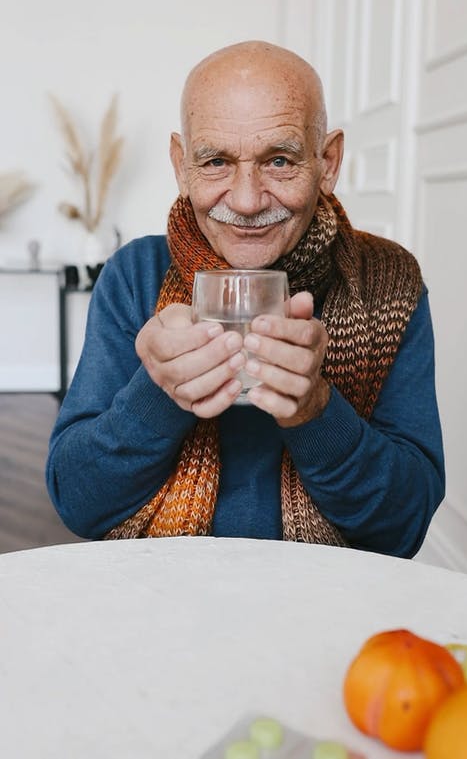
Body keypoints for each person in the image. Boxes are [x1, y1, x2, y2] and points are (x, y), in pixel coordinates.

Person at [46, 40, 444, 555]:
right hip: (159, 589)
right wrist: (159, 394)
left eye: (279, 160)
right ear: (181, 165)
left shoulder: (388, 282)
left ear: (327, 162)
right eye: (215, 161)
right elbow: (78, 501)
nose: (247, 200)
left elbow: (404, 526)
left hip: (326, 592)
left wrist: (315, 410)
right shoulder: (135, 275)